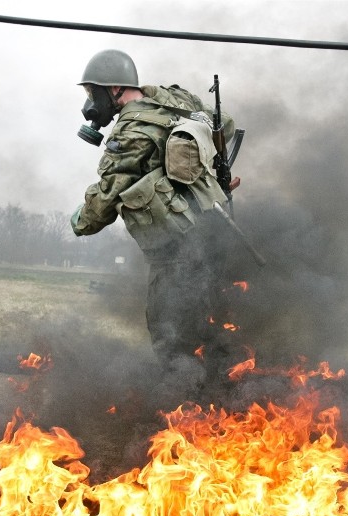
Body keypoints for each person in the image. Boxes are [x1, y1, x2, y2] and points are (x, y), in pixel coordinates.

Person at [70, 49, 241, 374]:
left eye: (93, 92)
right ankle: (219, 401)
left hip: (176, 255)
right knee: (207, 326)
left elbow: (101, 206)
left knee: (170, 337)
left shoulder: (130, 133)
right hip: (214, 233)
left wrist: (77, 220)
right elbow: (226, 125)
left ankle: (186, 407)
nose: (91, 102)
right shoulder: (177, 99)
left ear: (115, 90)